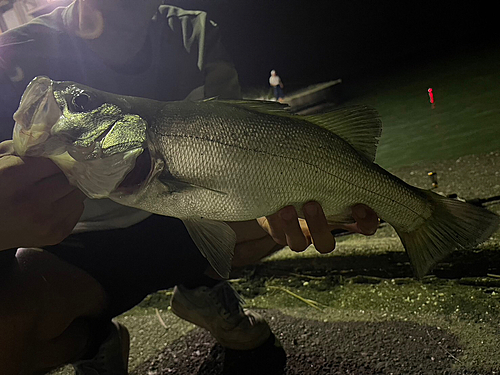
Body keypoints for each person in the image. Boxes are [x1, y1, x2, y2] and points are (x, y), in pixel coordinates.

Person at [0, 1, 379, 374]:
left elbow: (244, 143)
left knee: (295, 216)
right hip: (81, 247)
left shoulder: (192, 32)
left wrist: (265, 205)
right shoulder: (13, 52)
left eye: (79, 102)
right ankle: (93, 341)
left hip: (184, 214)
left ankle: (202, 290)